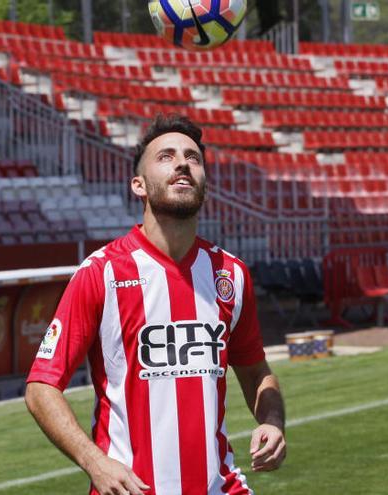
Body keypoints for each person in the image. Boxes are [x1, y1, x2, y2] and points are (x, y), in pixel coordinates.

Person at [25, 114, 286, 495]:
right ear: (139, 185)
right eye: (165, 156)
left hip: (220, 487)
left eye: (192, 158)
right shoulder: (102, 273)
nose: (182, 163)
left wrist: (272, 419)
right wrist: (94, 461)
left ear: (204, 186)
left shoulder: (231, 274)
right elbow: (41, 388)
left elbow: (254, 370)